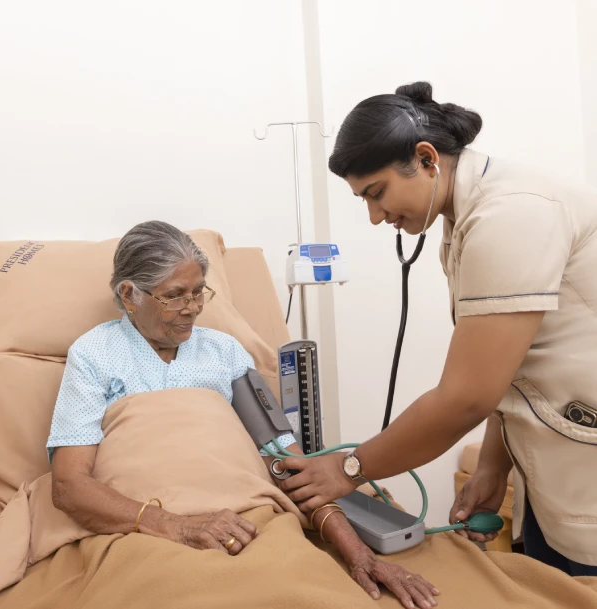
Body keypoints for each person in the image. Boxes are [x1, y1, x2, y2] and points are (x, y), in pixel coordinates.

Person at [279, 82, 597, 576]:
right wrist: (494, 465)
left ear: (427, 158)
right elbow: (513, 365)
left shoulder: (510, 213)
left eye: (376, 193)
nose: (374, 216)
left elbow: (465, 397)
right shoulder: (469, 212)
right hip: (556, 456)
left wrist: (350, 468)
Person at [47, 220, 439, 609]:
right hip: (144, 525)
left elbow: (290, 466)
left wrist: (358, 555)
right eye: (175, 296)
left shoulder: (225, 352)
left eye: (200, 292)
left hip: (244, 516)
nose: (193, 309)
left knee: (297, 589)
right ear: (130, 294)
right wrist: (175, 526)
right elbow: (69, 486)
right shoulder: (94, 354)